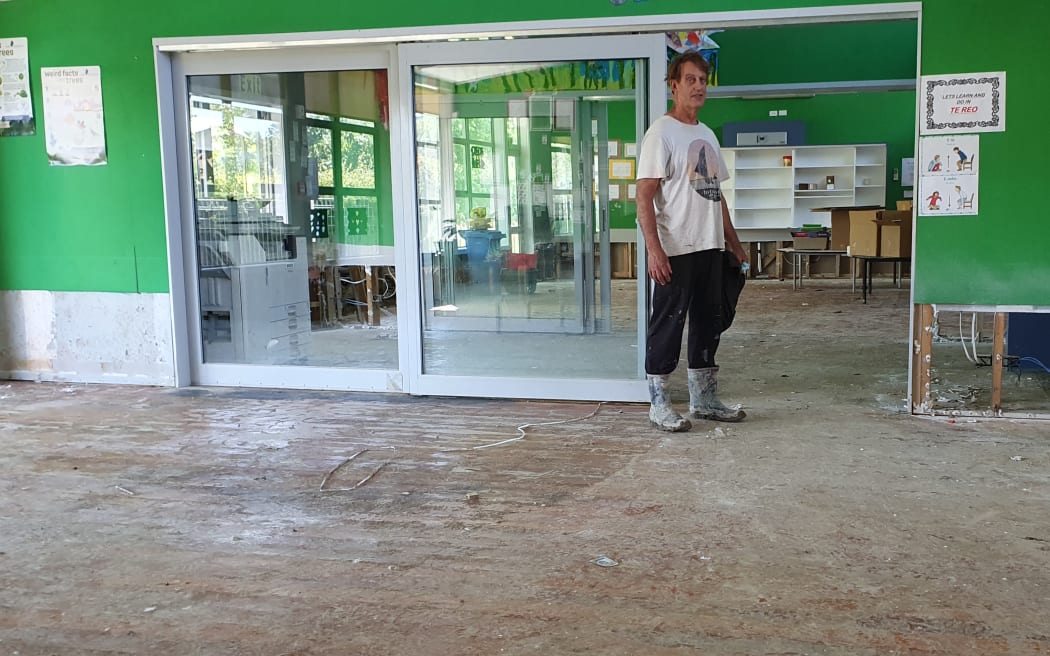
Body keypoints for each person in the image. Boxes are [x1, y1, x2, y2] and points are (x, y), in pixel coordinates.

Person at [635, 51, 749, 432]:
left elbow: (715, 194)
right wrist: (655, 251)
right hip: (676, 250)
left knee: (708, 322)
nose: (699, 86)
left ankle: (704, 399)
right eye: (691, 80)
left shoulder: (707, 134)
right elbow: (644, 195)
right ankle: (659, 403)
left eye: (703, 80)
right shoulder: (661, 134)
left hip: (710, 246)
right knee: (667, 324)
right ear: (674, 85)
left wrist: (733, 242)